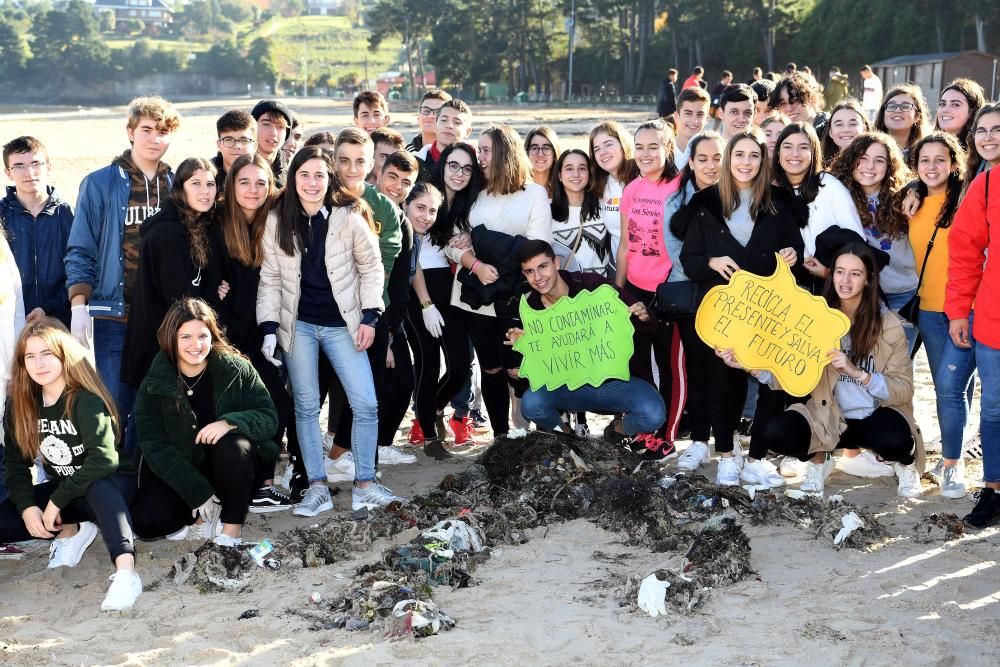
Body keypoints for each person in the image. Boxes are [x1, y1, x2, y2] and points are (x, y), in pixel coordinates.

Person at [256, 146, 402, 516]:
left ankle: (365, 483)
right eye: (304, 174)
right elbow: (271, 277)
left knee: (366, 403)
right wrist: (269, 327)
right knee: (305, 407)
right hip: (299, 325)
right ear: (293, 178)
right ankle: (316, 487)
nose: (311, 182)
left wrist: (370, 316)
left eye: (319, 174)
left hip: (344, 324)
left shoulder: (349, 213)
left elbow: (371, 267)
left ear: (330, 178)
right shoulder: (278, 217)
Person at [719, 243, 924, 498]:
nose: (845, 281)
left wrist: (859, 373)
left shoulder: (888, 324)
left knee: (895, 441)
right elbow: (789, 374)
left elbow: (904, 388)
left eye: (855, 273)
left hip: (875, 414)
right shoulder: (814, 317)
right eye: (840, 271)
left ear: (869, 279)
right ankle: (820, 459)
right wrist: (749, 367)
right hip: (831, 419)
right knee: (778, 433)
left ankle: (905, 464)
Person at [677, 129, 804, 485]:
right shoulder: (705, 203)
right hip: (723, 310)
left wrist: (794, 254)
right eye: (739, 155)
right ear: (727, 159)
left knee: (768, 383)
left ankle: (758, 457)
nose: (745, 162)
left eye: (753, 155)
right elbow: (690, 259)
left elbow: (795, 247)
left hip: (766, 310)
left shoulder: (778, 202)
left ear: (763, 161)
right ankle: (727, 454)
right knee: (723, 381)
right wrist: (712, 262)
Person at [0, 319, 141, 611]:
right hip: (68, 490)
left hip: (113, 486)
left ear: (64, 355)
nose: (39, 363)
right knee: (7, 517)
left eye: (47, 353)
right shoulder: (20, 406)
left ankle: (127, 573)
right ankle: (72, 532)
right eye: (30, 356)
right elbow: (14, 465)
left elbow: (103, 460)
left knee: (98, 487)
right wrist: (29, 508)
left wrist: (54, 503)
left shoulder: (84, 399)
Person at [65, 95, 180, 426]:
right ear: (130, 131)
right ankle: (118, 476)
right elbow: (81, 247)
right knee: (115, 403)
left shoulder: (177, 185)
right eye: (146, 129)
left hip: (165, 318)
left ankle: (149, 476)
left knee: (159, 407)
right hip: (115, 315)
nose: (154, 138)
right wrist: (78, 306)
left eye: (162, 131)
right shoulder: (100, 183)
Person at [130, 298, 277, 545]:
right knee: (146, 523)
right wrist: (196, 490)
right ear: (171, 338)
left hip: (229, 467)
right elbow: (153, 444)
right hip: (182, 467)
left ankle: (231, 530)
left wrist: (230, 422)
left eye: (203, 336)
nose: (196, 345)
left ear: (213, 336)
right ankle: (200, 515)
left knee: (234, 446)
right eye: (185, 337)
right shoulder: (155, 381)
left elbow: (269, 418)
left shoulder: (236, 369)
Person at [444, 124, 552, 437]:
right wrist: (474, 262)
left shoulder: (533, 194)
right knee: (490, 367)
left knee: (518, 368)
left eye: (486, 150)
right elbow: (450, 242)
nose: (480, 157)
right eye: (479, 150)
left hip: (515, 297)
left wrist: (481, 239)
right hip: (475, 297)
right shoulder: (471, 192)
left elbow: (536, 246)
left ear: (505, 153)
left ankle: (524, 426)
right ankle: (501, 435)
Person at [513, 241, 668, 453]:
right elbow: (527, 372)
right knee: (531, 404)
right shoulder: (530, 307)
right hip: (568, 388)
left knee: (653, 414)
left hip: (615, 383)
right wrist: (522, 349)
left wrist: (644, 315)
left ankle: (618, 430)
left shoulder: (593, 285)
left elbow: (649, 325)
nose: (538, 277)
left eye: (543, 267)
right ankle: (568, 437)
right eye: (529, 271)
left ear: (556, 263)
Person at [210, 153, 301, 509]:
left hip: (262, 335)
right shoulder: (217, 224)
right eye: (244, 182)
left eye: (260, 182)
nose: (252, 189)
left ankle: (263, 481)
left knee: (277, 403)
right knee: (230, 409)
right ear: (231, 186)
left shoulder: (275, 222)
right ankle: (237, 482)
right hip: (225, 339)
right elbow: (210, 279)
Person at [323, 128, 404, 479]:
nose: (352, 169)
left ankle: (349, 456)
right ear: (334, 162)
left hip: (370, 310)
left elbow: (385, 260)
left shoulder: (384, 206)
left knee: (368, 390)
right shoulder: (320, 196)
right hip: (323, 310)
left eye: (360, 161)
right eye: (344, 161)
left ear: (372, 163)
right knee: (318, 390)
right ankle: (310, 460)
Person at [905, 132, 973, 499]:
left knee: (949, 388)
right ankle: (953, 452)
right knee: (951, 387)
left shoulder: (966, 198)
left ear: (953, 162)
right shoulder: (909, 202)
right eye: (924, 160)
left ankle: (951, 463)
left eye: (940, 159)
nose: (932, 166)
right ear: (915, 167)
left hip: (966, 309)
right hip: (929, 312)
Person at [614, 119, 684, 448]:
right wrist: (618, 291)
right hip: (634, 291)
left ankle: (667, 435)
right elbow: (626, 244)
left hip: (668, 292)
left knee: (668, 368)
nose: (645, 153)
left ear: (667, 148)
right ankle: (646, 427)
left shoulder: (681, 187)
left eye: (653, 146)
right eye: (639, 146)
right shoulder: (631, 189)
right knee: (639, 364)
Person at [121, 158, 219, 390]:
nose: (205, 191)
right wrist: (213, 291)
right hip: (159, 349)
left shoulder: (194, 225)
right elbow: (179, 298)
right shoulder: (168, 232)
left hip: (177, 345)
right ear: (180, 188)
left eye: (211, 184)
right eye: (196, 183)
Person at [407, 143, 481, 451]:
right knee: (427, 363)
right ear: (443, 166)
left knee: (460, 367)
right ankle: (430, 435)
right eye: (453, 165)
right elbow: (413, 261)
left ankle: (431, 409)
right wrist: (425, 304)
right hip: (418, 291)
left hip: (451, 291)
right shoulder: (425, 198)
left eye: (466, 168)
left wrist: (472, 238)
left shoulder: (471, 204)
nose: (459, 173)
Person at [666, 131, 724, 465]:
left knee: (729, 371)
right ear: (690, 161)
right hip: (693, 299)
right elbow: (679, 257)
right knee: (700, 370)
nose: (711, 165)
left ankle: (728, 444)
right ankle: (700, 440)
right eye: (703, 158)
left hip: (733, 300)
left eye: (717, 158)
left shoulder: (736, 197)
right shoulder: (675, 202)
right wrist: (711, 267)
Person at [947, 165, 1000, 527]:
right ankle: (993, 490)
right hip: (993, 321)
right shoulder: (988, 184)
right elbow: (965, 252)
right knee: (994, 408)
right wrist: (959, 311)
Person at [830, 132, 918, 348]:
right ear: (852, 160)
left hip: (903, 294)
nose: (870, 166)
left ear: (889, 166)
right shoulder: (837, 196)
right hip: (860, 294)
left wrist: (918, 188)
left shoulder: (903, 196)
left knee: (896, 365)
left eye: (879, 160)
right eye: (863, 158)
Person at [372, 151, 420, 463]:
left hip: (388, 317)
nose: (397, 186)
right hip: (345, 315)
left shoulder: (405, 225)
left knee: (403, 382)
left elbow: (400, 286)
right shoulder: (358, 210)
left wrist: (389, 333)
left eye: (406, 182)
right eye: (393, 177)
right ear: (379, 174)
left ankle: (381, 444)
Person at [1, 136, 73, 327]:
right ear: (8, 172)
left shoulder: (69, 215)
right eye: (19, 166)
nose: (29, 172)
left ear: (48, 167)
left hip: (60, 320)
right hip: (10, 321)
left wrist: (48, 308)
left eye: (36, 163)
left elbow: (81, 271)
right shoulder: (1, 215)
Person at [550, 149, 612, 276]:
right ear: (560, 175)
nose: (576, 174)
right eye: (569, 168)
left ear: (589, 174)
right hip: (567, 291)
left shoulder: (604, 206)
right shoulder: (546, 210)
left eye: (582, 168)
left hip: (601, 289)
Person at [589, 121, 639, 261]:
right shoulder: (600, 184)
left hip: (648, 270)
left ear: (623, 143)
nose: (602, 152)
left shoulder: (642, 178)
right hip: (617, 266)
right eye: (596, 148)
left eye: (608, 144)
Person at [415, 99, 473, 183]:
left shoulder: (475, 166)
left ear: (468, 132)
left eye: (457, 122)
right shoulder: (415, 163)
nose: (449, 126)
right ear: (435, 126)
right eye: (444, 120)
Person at [874, 83, 928, 159]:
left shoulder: (924, 155)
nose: (897, 110)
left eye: (905, 106)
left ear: (917, 117)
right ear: (883, 114)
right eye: (892, 106)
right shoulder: (866, 151)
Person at [250, 99, 294, 189]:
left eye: (280, 126)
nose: (273, 133)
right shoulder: (234, 167)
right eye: (266, 124)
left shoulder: (292, 176)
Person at [210, 110, 257, 189]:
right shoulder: (205, 178)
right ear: (219, 144)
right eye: (229, 140)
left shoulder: (265, 180)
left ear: (255, 146)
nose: (237, 146)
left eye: (244, 140)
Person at [822, 99, 870, 166]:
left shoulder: (872, 166)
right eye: (839, 124)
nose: (846, 130)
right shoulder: (820, 167)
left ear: (865, 129)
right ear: (830, 132)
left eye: (853, 124)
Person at [673, 86, 711, 170]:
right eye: (688, 113)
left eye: (700, 114)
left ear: (707, 119)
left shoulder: (713, 153)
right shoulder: (662, 151)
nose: (694, 120)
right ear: (676, 117)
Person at [406, 89, 453, 153]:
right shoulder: (407, 155)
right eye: (426, 111)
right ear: (418, 117)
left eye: (438, 112)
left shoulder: (460, 155)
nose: (431, 116)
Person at [525, 127, 559, 197]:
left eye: (546, 148)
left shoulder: (562, 191)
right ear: (526, 152)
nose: (540, 154)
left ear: (555, 153)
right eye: (534, 148)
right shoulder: (517, 189)